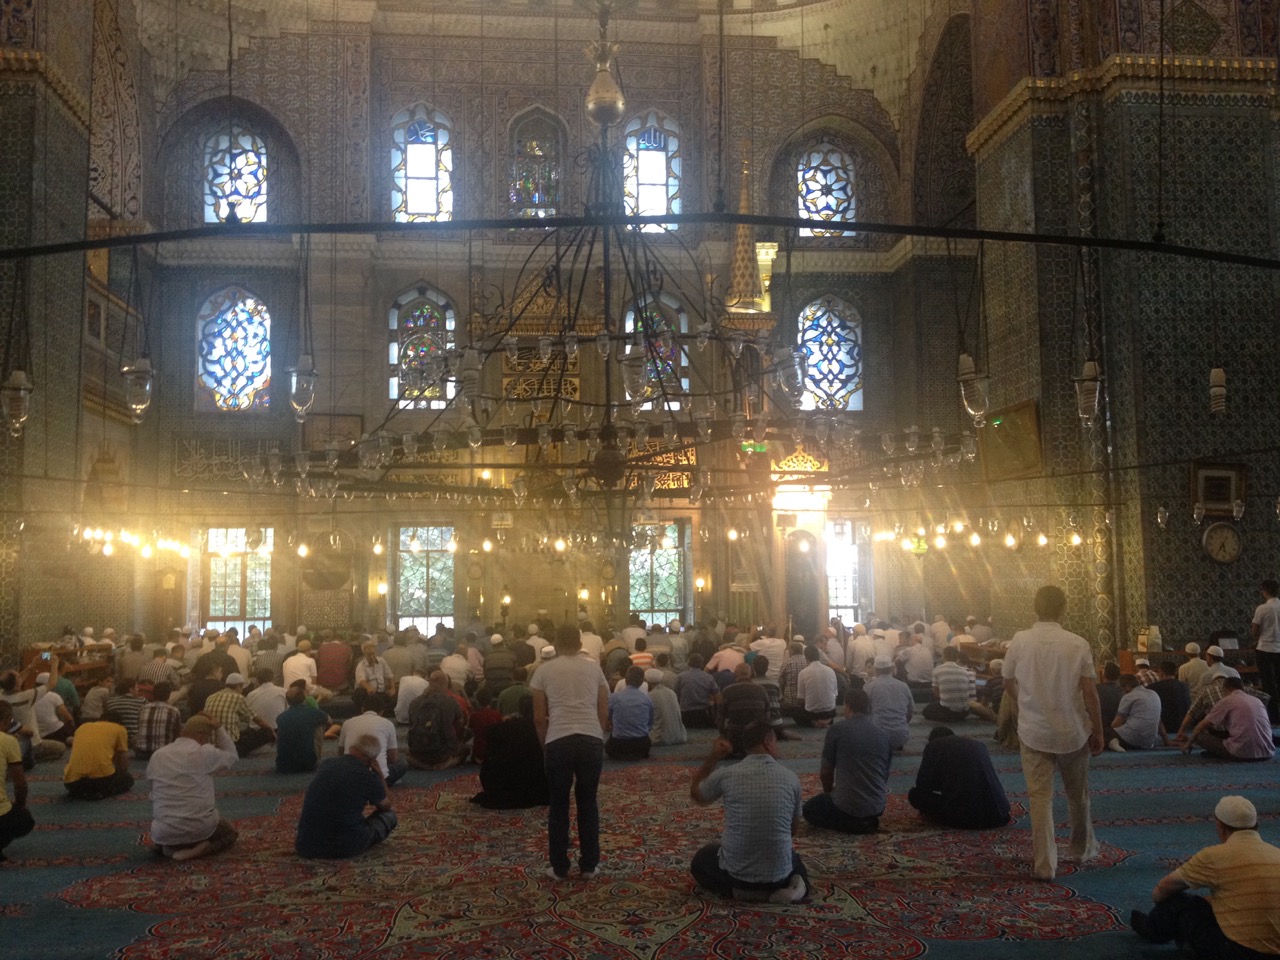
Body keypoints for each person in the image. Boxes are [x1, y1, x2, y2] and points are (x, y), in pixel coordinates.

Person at [1002, 585, 1104, 881]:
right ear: (1064, 609)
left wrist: (1024, 707)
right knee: (1078, 795)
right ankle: (1081, 849)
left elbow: (1007, 682)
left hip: (1034, 732)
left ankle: (1045, 865)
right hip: (1072, 731)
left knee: (1040, 799)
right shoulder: (1077, 644)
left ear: (1035, 607)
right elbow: (1090, 693)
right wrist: (1098, 729)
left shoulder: (1020, 641)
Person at [1130, 795, 1280, 958]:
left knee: (1178, 902)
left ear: (1220, 826)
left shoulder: (1214, 856)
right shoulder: (1276, 854)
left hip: (1235, 951)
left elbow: (1162, 890)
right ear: (1256, 826)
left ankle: (1153, 929)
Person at [689, 721, 808, 904]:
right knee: (795, 860)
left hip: (737, 876)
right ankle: (795, 890)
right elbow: (792, 830)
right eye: (776, 741)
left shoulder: (728, 774)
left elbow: (697, 794)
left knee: (701, 861)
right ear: (768, 741)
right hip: (779, 877)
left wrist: (713, 757)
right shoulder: (791, 778)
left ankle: (741, 892)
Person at [530, 623, 609, 881]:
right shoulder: (593, 668)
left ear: (555, 641)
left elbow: (539, 718)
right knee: (588, 802)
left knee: (559, 805)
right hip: (590, 740)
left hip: (559, 740)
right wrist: (597, 732)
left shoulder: (544, 671)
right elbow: (603, 708)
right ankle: (589, 866)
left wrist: (546, 745)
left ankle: (559, 867)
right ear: (578, 643)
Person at [146, 714, 238, 861]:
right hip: (200, 828)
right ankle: (200, 850)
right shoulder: (204, 752)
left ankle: (168, 849)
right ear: (201, 737)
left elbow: (153, 791)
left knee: (164, 834)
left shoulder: (158, 755)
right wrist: (219, 728)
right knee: (230, 832)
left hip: (164, 832)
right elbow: (232, 755)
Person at [802, 689, 891, 834]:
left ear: (847, 706)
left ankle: (852, 824)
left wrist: (829, 793)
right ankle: (866, 821)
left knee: (810, 810)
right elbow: (884, 775)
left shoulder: (837, 730)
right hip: (876, 807)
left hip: (845, 806)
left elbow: (826, 771)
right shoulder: (883, 734)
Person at [295, 734, 397, 859]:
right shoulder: (368, 777)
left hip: (306, 845)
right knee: (390, 815)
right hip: (343, 847)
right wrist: (380, 775)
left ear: (351, 748)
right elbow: (386, 805)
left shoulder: (326, 763)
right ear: (372, 760)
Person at [908, 726, 1011, 829]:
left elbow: (923, 784)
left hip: (966, 818)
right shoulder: (978, 745)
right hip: (1000, 815)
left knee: (915, 794)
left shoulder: (933, 746)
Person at [469, 695, 550, 809]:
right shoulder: (543, 729)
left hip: (505, 783)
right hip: (534, 782)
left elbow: (488, 736)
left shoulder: (507, 726)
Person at [1182, 676, 1275, 762]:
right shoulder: (1256, 700)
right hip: (1268, 752)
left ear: (1225, 689)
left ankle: (1220, 754)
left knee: (1200, 736)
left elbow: (1201, 726)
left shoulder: (1227, 700)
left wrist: (1188, 743)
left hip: (1241, 753)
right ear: (1242, 687)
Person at [338, 691, 407, 784]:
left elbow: (341, 753)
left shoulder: (347, 722)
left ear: (362, 709)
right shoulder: (388, 724)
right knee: (402, 763)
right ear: (382, 711)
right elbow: (393, 758)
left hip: (349, 777)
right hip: (378, 778)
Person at [63, 711, 134, 800]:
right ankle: (101, 793)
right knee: (128, 780)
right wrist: (121, 772)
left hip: (71, 783)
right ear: (119, 722)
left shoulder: (82, 727)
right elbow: (123, 761)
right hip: (100, 782)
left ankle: (84, 793)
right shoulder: (119, 729)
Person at [406, 671, 469, 770]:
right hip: (442, 753)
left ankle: (424, 765)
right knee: (465, 750)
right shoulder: (450, 702)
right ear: (445, 684)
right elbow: (460, 724)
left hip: (417, 751)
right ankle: (446, 764)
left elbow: (411, 725)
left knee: (408, 756)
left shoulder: (414, 702)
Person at [203, 673, 276, 757]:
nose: (242, 691)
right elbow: (258, 720)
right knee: (266, 732)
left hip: (210, 744)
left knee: (246, 731)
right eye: (242, 688)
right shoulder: (238, 697)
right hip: (230, 746)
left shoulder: (211, 697)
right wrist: (271, 730)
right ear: (238, 686)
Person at [0, 701, 33, 862]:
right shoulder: (7, 740)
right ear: (7, 720)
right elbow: (20, 784)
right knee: (24, 820)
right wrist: (20, 806)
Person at [275, 682, 333, 773]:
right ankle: (316, 756)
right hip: (307, 764)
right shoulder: (312, 712)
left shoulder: (280, 717)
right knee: (320, 724)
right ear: (304, 698)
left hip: (283, 765)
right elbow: (329, 721)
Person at [719, 662, 770, 754]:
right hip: (756, 741)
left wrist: (722, 736)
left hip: (735, 739)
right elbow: (767, 715)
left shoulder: (727, 690)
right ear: (750, 674)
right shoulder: (762, 690)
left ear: (735, 674)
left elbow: (721, 717)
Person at [864, 654, 913, 750]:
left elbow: (866, 712)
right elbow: (909, 713)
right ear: (891, 669)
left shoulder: (870, 687)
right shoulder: (903, 686)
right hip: (901, 736)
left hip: (878, 737)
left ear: (875, 670)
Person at [605, 665, 654, 760]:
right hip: (641, 745)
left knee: (608, 746)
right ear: (641, 682)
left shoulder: (615, 697)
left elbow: (608, 717)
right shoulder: (647, 699)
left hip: (619, 744)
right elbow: (650, 724)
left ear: (626, 680)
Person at [1109, 673, 1166, 752]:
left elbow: (1117, 723)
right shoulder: (1154, 693)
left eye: (1120, 689)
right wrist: (1166, 740)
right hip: (1149, 742)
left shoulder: (1128, 696)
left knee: (1100, 733)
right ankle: (1115, 741)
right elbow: (1158, 721)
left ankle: (1112, 741)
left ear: (1126, 687)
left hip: (1131, 739)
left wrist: (1109, 731)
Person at [1251, 579, 1280, 723]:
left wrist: (1257, 638)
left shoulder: (1262, 608)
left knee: (1268, 684)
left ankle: (1273, 717)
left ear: (1265, 591)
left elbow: (1255, 630)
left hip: (1265, 649)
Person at [923, 647, 977, 722]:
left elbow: (936, 693)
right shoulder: (964, 671)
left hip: (948, 711)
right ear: (956, 657)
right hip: (964, 712)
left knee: (927, 710)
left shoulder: (938, 669)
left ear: (944, 656)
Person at [133, 682, 182, 759]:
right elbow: (177, 734)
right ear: (168, 695)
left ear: (153, 694)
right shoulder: (174, 711)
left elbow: (139, 728)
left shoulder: (143, 709)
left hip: (141, 753)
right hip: (164, 754)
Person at [794, 645, 838, 727]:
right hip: (830, 712)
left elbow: (800, 699)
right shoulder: (830, 671)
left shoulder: (803, 673)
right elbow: (835, 695)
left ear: (806, 658)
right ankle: (827, 721)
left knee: (796, 712)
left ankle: (815, 723)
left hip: (812, 714)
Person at [673, 654, 720, 728]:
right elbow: (717, 695)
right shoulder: (709, 677)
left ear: (688, 663)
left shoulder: (681, 677)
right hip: (703, 714)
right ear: (702, 664)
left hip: (685, 715)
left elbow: (675, 694)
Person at [646, 668, 687, 746]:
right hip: (680, 735)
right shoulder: (672, 692)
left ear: (648, 682)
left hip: (660, 738)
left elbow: (647, 720)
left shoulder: (649, 696)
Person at [1150, 660, 1192, 736]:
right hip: (1184, 726)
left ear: (1161, 673)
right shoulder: (1184, 686)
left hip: (1165, 727)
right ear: (1175, 673)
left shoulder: (1153, 688)